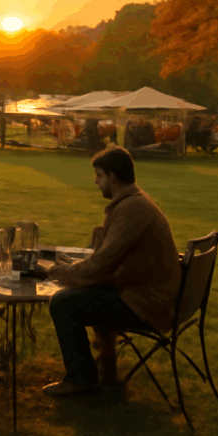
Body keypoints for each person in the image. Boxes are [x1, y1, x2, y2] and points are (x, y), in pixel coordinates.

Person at [36, 145, 181, 397]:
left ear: (112, 177)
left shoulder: (133, 208)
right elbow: (112, 258)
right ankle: (101, 368)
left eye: (99, 176)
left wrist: (58, 271)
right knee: (79, 291)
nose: (96, 182)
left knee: (63, 303)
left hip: (145, 304)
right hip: (145, 293)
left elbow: (102, 263)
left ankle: (81, 378)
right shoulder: (134, 203)